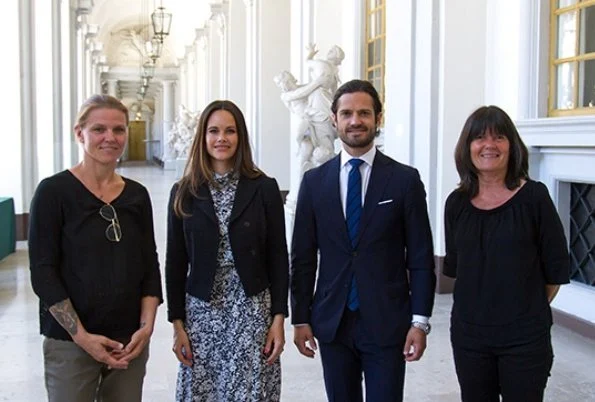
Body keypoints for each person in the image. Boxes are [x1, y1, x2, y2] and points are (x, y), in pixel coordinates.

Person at [290, 79, 436, 401]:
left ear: (378, 118)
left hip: (387, 323)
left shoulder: (404, 181)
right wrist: (300, 317)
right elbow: (302, 258)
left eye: (364, 113)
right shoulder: (314, 183)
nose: (355, 120)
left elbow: (421, 258)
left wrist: (420, 321)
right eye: (347, 113)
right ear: (334, 120)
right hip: (333, 322)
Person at [28, 94, 163, 402]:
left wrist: (146, 328)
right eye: (99, 129)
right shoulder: (53, 192)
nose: (110, 138)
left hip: (128, 338)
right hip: (71, 340)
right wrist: (82, 337)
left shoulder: (137, 195)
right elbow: (43, 272)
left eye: (119, 130)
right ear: (80, 133)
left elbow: (149, 264)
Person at [444, 105, 570, 401]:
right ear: (468, 147)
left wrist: (522, 311)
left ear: (512, 146)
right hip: (469, 338)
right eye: (480, 138)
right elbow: (459, 269)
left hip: (524, 339)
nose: (489, 145)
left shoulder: (535, 198)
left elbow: (555, 269)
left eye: (499, 137)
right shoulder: (456, 203)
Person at [165, 100, 289, 401]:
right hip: (202, 309)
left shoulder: (264, 188)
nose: (222, 138)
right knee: (203, 389)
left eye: (230, 131)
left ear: (241, 137)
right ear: (203, 138)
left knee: (249, 389)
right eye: (214, 131)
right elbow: (175, 263)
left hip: (251, 306)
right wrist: (177, 324)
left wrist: (278, 318)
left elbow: (278, 257)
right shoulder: (184, 191)